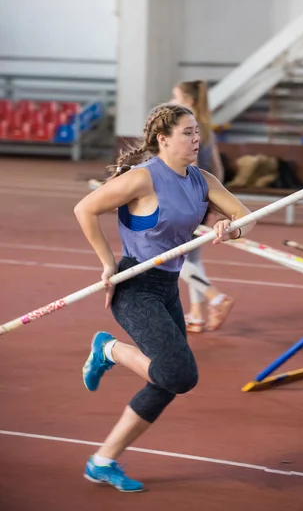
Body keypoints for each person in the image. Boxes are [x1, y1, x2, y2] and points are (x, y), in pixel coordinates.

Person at [74, 102, 256, 493]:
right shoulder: (143, 179)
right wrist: (107, 264)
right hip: (135, 286)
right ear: (163, 139)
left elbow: (247, 217)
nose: (196, 139)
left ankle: (102, 461)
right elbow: (85, 209)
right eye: (188, 133)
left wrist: (230, 227)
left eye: (197, 132)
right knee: (179, 375)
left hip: (167, 288)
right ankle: (109, 350)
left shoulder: (202, 179)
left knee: (166, 383)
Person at [171, 80, 234, 333]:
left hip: (186, 199)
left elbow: (192, 165)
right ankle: (196, 313)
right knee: (192, 257)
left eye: (174, 95)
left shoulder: (186, 127)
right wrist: (215, 200)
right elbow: (217, 168)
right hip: (203, 198)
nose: (171, 100)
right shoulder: (206, 127)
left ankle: (216, 297)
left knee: (167, 258)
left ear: (189, 101)